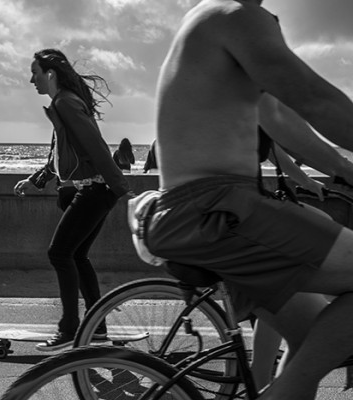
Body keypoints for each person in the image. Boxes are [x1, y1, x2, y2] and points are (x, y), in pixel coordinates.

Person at [147, 1, 353, 399]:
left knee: (317, 339)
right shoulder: (236, 16)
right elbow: (314, 99)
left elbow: (276, 116)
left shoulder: (209, 17)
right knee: (310, 362)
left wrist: (344, 167)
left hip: (199, 212)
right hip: (217, 210)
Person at [13, 48, 130, 351]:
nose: (31, 79)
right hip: (96, 189)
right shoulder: (62, 103)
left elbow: (96, 146)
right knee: (77, 256)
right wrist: (36, 180)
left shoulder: (65, 102)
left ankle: (69, 330)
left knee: (59, 253)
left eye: (34, 72)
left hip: (96, 189)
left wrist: (121, 188)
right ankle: (98, 328)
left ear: (49, 74)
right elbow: (62, 154)